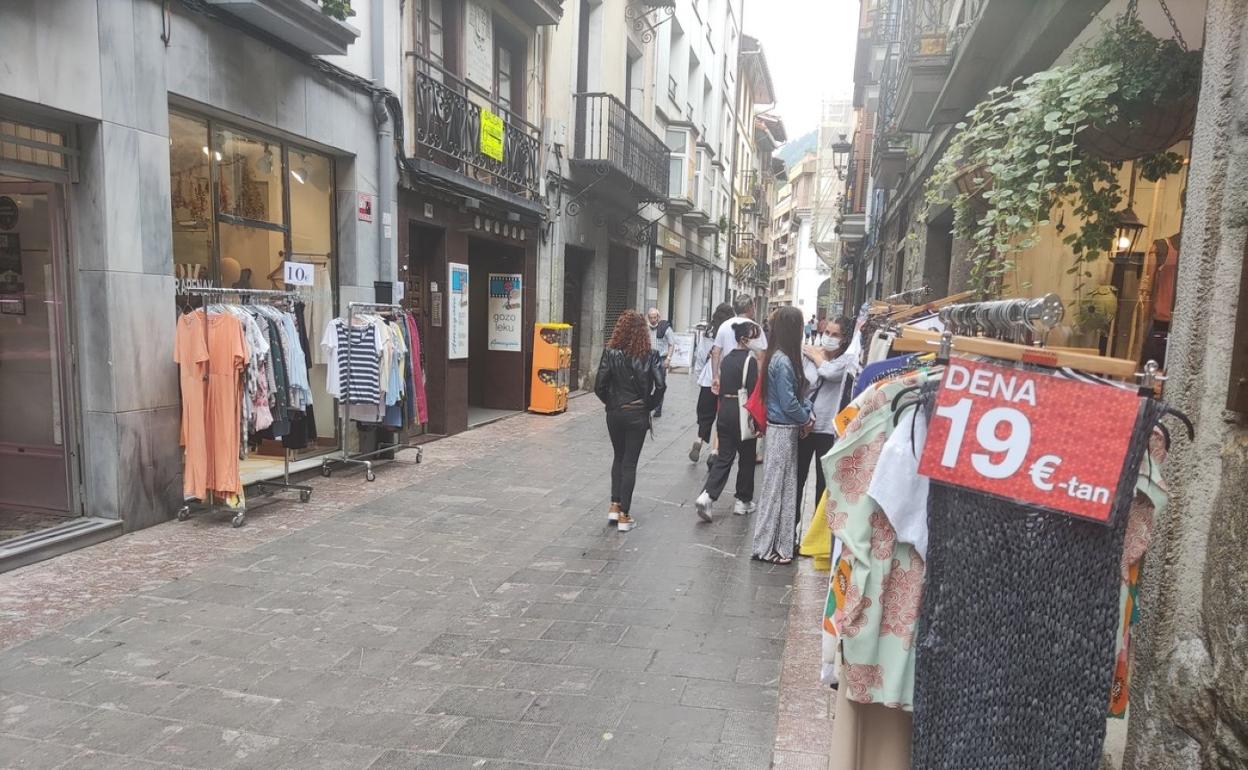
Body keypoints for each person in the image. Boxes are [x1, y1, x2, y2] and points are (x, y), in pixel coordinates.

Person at [595, 310, 667, 532]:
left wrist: (612, 403)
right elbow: (661, 385)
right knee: (630, 463)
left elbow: (599, 386)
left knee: (618, 456)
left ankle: (614, 505)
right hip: (637, 414)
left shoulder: (610, 353)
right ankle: (624, 516)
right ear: (643, 332)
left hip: (615, 414)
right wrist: (649, 404)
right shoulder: (651, 355)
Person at [752, 306, 813, 564]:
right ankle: (769, 546)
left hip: (782, 429)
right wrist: (806, 417)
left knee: (780, 488)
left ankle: (774, 545)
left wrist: (804, 412)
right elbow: (788, 402)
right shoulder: (784, 361)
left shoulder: (777, 358)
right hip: (782, 430)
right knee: (778, 489)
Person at [694, 321, 761, 521]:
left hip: (725, 410)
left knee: (724, 456)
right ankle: (743, 500)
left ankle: (707, 496)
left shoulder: (727, 359)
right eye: (755, 336)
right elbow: (753, 392)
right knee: (747, 457)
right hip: (742, 411)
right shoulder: (750, 361)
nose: (757, 341)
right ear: (745, 339)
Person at [795, 316, 853, 543]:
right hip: (806, 426)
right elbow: (802, 383)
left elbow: (830, 373)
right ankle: (791, 532)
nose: (829, 337)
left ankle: (816, 538)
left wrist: (817, 357)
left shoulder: (847, 360)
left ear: (844, 339)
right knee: (797, 479)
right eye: (827, 332)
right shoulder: (809, 356)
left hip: (829, 430)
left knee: (823, 484)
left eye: (835, 334)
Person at [691, 302, 735, 463]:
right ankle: (715, 451)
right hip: (727, 379)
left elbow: (701, 355)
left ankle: (699, 440)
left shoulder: (708, 332)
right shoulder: (732, 332)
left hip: (709, 378)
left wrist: (700, 375)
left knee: (705, 414)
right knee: (722, 416)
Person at [646, 308, 674, 418]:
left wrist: (668, 359)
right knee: (647, 383)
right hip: (648, 358)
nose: (653, 320)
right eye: (651, 317)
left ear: (658, 317)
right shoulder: (645, 328)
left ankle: (658, 408)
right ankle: (648, 405)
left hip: (661, 359)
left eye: (655, 317)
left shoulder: (665, 328)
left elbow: (671, 344)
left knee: (660, 384)